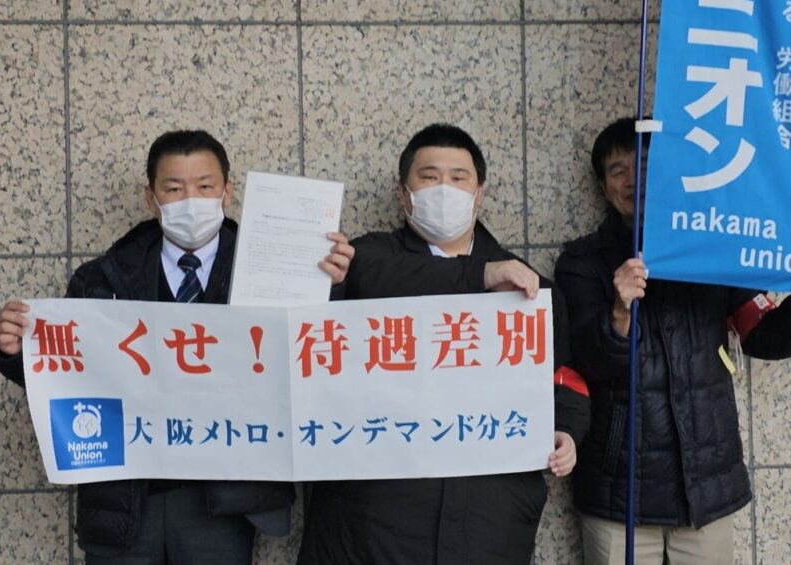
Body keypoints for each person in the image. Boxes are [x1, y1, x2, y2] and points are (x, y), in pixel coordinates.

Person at [0, 129, 354, 564]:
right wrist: (13, 352)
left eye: (205, 186)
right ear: (151, 197)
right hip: (128, 498)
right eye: (174, 189)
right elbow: (65, 375)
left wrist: (328, 286)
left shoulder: (272, 272)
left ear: (227, 192)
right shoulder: (103, 279)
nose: (191, 201)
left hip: (222, 500)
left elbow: (317, 353)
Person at [296, 123, 591, 565]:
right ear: (404, 193)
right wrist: (478, 275)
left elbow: (565, 378)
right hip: (373, 518)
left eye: (458, 178)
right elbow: (373, 280)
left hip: (488, 517)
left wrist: (567, 430)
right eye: (429, 177)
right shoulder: (366, 260)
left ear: (479, 193)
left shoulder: (531, 289)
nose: (444, 189)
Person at [554, 117, 791, 565]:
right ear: (603, 188)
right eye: (618, 171)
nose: (632, 180)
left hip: (706, 485)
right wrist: (620, 310)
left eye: (645, 167)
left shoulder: (712, 249)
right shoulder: (581, 263)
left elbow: (763, 335)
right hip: (618, 490)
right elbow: (587, 361)